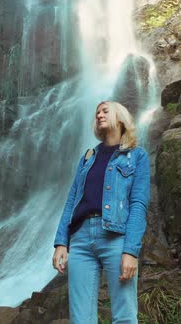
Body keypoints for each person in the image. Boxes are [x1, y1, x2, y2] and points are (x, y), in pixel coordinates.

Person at [52, 101, 151, 324]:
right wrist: (61, 242)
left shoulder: (138, 156)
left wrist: (131, 251)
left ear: (120, 117)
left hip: (115, 237)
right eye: (97, 112)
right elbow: (72, 201)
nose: (99, 115)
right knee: (81, 319)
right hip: (80, 240)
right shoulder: (88, 157)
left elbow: (138, 204)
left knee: (124, 316)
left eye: (105, 111)